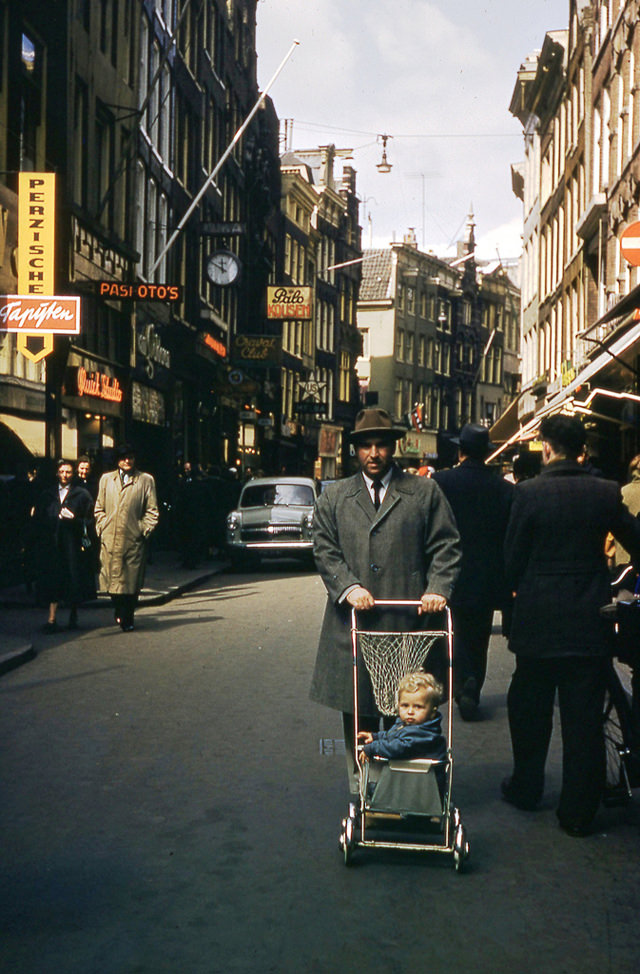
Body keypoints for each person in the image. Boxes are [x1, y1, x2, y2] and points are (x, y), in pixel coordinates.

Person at [502, 414, 640, 836]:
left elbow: (512, 560)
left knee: (530, 707)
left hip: (539, 621)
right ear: (583, 448)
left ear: (546, 447)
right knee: (582, 718)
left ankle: (527, 787)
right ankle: (578, 812)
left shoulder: (528, 494)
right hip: (587, 620)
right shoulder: (605, 492)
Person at [310, 407, 461, 790]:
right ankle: (362, 789)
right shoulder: (336, 497)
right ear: (355, 451)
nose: (374, 454)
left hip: (408, 624)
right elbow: (325, 549)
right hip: (354, 625)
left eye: (381, 445)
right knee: (358, 712)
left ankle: (406, 790)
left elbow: (447, 546)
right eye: (365, 446)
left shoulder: (423, 492)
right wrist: (348, 587)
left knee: (409, 715)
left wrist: (437, 589)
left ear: (394, 447)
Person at [433, 423, 514, 719]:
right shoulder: (504, 489)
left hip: (448, 571)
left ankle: (461, 677)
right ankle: (473, 684)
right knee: (479, 635)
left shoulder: (441, 482)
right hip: (489, 576)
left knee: (451, 630)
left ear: (460, 450)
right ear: (488, 453)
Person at [94, 444, 159, 632]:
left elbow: (152, 510)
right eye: (123, 458)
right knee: (111, 581)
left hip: (133, 539)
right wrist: (102, 525)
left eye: (130, 457)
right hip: (110, 538)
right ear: (117, 460)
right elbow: (99, 507)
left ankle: (128, 616)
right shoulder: (106, 479)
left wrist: (143, 529)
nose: (127, 461)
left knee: (131, 583)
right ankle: (118, 609)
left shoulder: (145, 480)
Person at [34, 458, 96, 631]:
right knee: (53, 579)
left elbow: (90, 520)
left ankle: (73, 614)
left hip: (72, 546)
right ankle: (52, 619)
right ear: (57, 473)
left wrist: (75, 519)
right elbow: (39, 518)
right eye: (61, 472)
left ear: (73, 474)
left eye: (68, 472)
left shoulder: (81, 494)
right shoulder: (48, 494)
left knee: (73, 579)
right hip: (52, 545)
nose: (64, 475)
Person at [357, 670, 446, 763]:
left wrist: (372, 747)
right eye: (405, 705)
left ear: (432, 712)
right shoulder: (406, 725)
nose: (410, 711)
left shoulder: (423, 733)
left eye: (418, 707)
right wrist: (376, 736)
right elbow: (393, 734)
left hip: (422, 775)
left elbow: (398, 747)